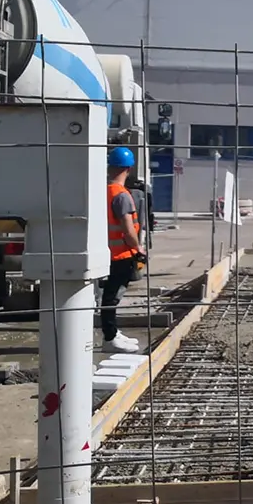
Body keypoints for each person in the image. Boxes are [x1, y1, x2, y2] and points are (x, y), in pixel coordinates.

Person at [101, 147, 147, 353]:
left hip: (109, 252)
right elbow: (128, 229)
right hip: (121, 254)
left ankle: (113, 332)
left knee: (110, 295)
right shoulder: (122, 196)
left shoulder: (104, 191)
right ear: (128, 169)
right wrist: (138, 248)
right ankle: (110, 338)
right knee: (112, 297)